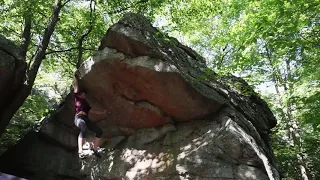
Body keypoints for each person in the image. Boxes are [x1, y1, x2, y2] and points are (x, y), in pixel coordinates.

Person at [73, 75, 107, 158]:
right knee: (83, 128)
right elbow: (76, 86)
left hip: (86, 119)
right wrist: (74, 77)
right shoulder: (77, 97)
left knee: (99, 131)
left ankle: (94, 149)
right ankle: (80, 151)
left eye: (85, 95)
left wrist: (103, 113)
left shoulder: (86, 104)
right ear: (81, 94)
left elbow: (93, 111)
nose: (85, 96)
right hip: (79, 118)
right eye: (83, 94)